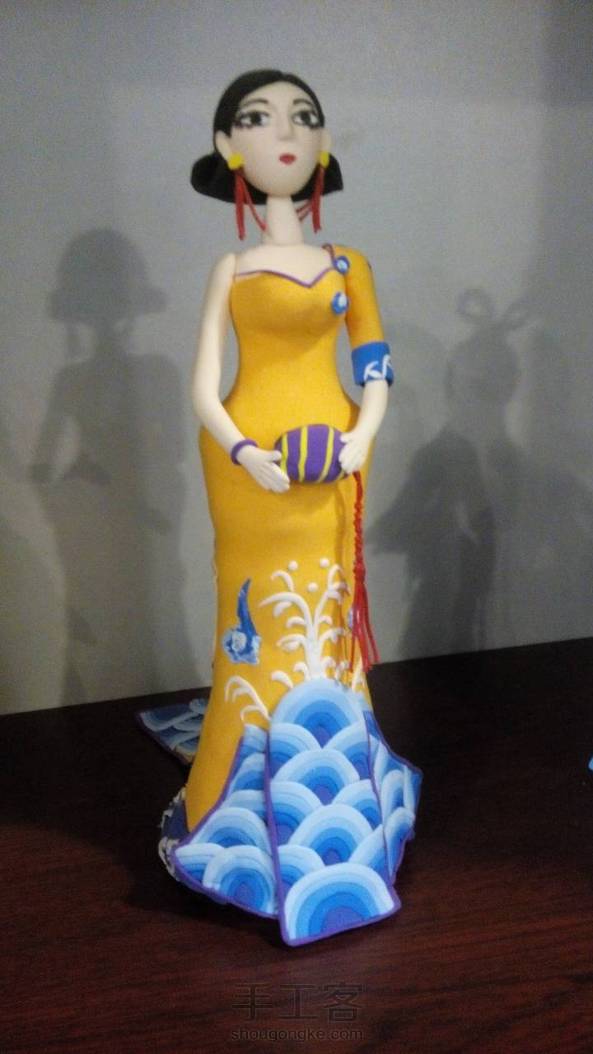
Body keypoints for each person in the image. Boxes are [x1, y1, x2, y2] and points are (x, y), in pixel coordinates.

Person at [159, 69, 422, 945]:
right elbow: (204, 388)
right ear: (228, 147)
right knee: (256, 615)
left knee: (328, 613)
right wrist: (242, 450)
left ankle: (342, 784)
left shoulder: (350, 266)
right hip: (249, 464)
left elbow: (375, 367)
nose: (285, 133)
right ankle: (230, 801)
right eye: (258, 118)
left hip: (335, 457)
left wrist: (360, 436)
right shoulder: (230, 269)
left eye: (303, 118)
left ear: (323, 145)